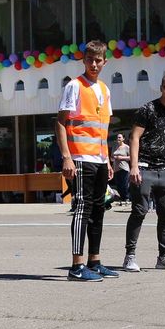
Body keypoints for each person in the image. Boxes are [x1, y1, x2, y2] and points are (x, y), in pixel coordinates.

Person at [57, 40, 116, 282]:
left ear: (104, 62)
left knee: (99, 209)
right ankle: (76, 265)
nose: (94, 64)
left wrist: (108, 159)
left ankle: (95, 260)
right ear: (84, 60)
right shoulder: (74, 86)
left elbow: (103, 128)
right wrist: (66, 157)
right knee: (82, 209)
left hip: (100, 159)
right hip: (80, 157)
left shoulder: (104, 88)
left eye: (98, 60)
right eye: (90, 59)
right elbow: (61, 121)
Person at [122, 69, 165, 272]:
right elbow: (134, 138)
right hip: (143, 168)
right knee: (139, 211)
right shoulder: (148, 109)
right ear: (161, 88)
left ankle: (164, 257)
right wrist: (134, 166)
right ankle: (130, 257)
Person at [110, 133, 131, 208]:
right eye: (117, 137)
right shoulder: (114, 147)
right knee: (118, 185)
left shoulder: (126, 147)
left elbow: (131, 157)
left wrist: (121, 158)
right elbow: (111, 158)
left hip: (124, 168)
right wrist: (114, 158)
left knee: (124, 185)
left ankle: (127, 198)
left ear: (123, 139)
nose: (118, 139)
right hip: (116, 168)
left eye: (119, 137)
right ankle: (122, 198)